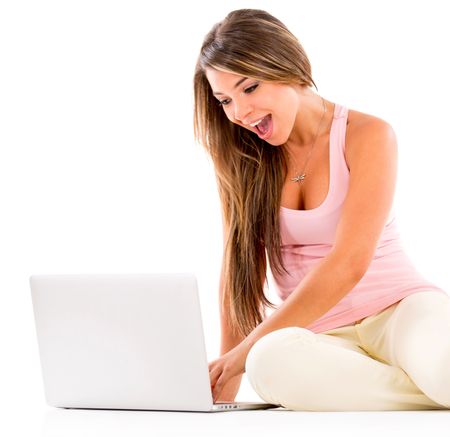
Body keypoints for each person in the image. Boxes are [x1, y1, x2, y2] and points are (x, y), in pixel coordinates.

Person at [192, 8, 450, 411]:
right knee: (269, 364)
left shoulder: (367, 135)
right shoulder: (242, 158)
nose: (239, 113)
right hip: (318, 336)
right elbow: (237, 270)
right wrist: (229, 372)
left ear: (289, 68)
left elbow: (350, 261)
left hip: (400, 310)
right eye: (225, 100)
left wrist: (240, 353)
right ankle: (430, 397)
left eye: (250, 88)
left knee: (446, 366)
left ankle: (434, 383)